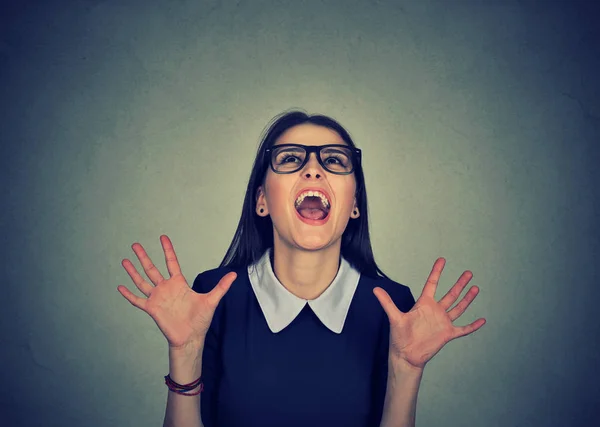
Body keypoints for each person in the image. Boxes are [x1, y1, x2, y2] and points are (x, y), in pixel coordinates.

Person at [117, 110, 486, 427]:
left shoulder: (394, 307)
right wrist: (184, 350)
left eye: (335, 160)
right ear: (262, 201)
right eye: (291, 159)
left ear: (354, 203)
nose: (313, 170)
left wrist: (407, 370)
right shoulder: (213, 297)